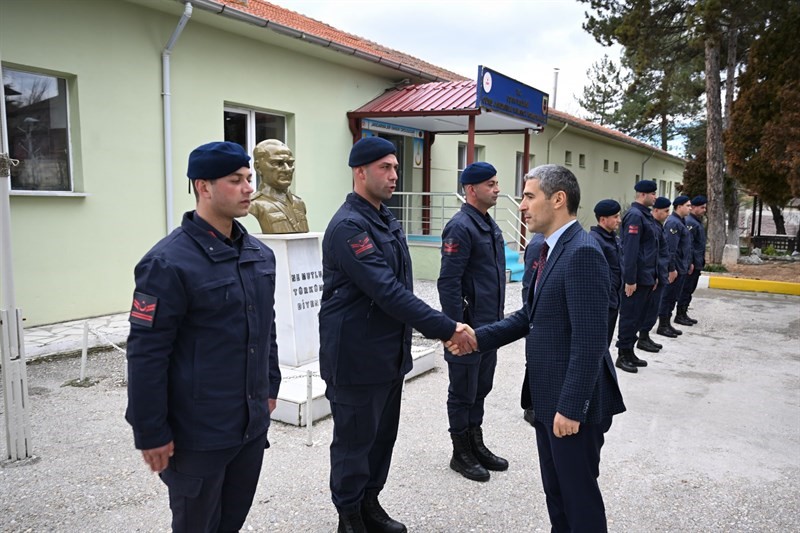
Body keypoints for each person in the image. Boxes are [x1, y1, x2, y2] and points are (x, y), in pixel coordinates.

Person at [449, 164, 626, 532]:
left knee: (579, 501)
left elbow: (590, 341)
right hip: (548, 398)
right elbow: (531, 315)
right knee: (557, 494)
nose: (522, 206)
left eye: (529, 196)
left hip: (573, 404)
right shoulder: (543, 250)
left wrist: (571, 407)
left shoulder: (583, 253)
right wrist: (477, 338)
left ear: (558, 199)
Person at [319, 136, 477, 533]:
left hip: (387, 353)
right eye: (385, 168)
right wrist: (447, 328)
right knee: (354, 443)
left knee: (380, 438)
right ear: (360, 172)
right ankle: (349, 516)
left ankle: (370, 503)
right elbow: (386, 290)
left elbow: (401, 289)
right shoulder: (349, 226)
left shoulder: (384, 218)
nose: (394, 175)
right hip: (355, 356)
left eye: (395, 167)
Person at [125, 141, 282, 532]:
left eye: (249, 178)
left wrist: (271, 384)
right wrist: (150, 430)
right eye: (235, 180)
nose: (248, 188)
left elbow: (266, 325)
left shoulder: (259, 255)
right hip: (198, 435)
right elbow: (146, 353)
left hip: (248, 426)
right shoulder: (167, 263)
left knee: (231, 523)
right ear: (203, 187)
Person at [438, 161, 508, 482]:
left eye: (496, 183)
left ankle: (475, 442)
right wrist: (456, 328)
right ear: (471, 189)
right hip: (468, 329)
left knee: (481, 387)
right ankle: (460, 451)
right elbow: (448, 282)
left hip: (489, 327)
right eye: (490, 184)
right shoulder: (460, 227)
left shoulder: (488, 225)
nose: (497, 189)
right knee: (463, 390)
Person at [615, 180, 660, 373]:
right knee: (630, 316)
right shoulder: (635, 216)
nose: (655, 197)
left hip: (646, 276)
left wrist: (655, 274)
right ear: (643, 195)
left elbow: (652, 249)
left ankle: (630, 350)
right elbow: (631, 251)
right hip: (637, 278)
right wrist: (630, 279)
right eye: (652, 194)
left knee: (639, 315)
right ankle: (622, 354)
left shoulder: (645, 216)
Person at [249, 139, 309, 233]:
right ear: (258, 167)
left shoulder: (299, 203)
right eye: (278, 163)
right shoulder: (253, 205)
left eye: (290, 164)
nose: (287, 169)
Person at [637, 196, 672, 349]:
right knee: (649, 308)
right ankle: (642, 337)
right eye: (665, 211)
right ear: (655, 211)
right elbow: (653, 255)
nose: (667, 214)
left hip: (660, 273)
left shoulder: (658, 226)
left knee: (654, 307)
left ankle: (646, 336)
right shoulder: (653, 227)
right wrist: (656, 275)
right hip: (654, 275)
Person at [589, 199, 624, 347]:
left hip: (613, 300)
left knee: (605, 344)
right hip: (603, 303)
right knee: (598, 345)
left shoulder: (612, 238)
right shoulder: (595, 241)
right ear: (603, 219)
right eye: (615, 217)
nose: (619, 220)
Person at [657, 195, 693, 336]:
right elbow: (671, 249)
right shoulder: (673, 223)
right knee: (668, 296)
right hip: (675, 268)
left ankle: (668, 323)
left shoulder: (681, 221)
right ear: (679, 207)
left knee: (673, 297)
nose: (690, 208)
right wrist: (672, 269)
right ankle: (663, 325)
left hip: (681, 267)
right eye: (688, 205)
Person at [520, 233, 545, 427]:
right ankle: (531, 406)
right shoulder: (539, 244)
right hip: (537, 314)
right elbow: (529, 283)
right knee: (535, 359)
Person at [678, 195, 708, 324]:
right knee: (686, 289)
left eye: (705, 207)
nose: (704, 210)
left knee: (690, 290)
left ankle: (683, 313)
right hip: (692, 263)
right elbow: (688, 245)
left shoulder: (696, 221)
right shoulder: (690, 222)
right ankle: (680, 314)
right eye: (702, 207)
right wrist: (690, 262)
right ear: (694, 207)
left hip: (697, 262)